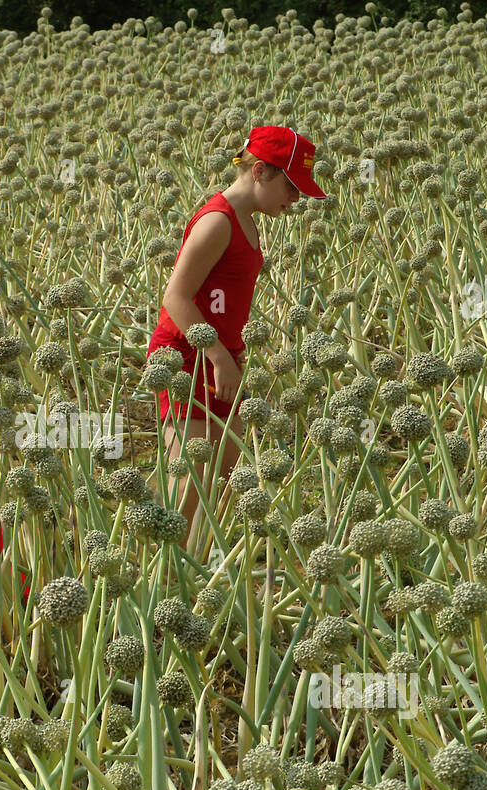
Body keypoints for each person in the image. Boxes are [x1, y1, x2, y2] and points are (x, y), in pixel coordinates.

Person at [148, 126, 323, 546]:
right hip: (185, 359)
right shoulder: (217, 221)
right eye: (291, 186)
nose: (295, 199)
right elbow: (175, 296)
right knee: (190, 484)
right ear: (260, 171)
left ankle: (187, 573)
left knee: (227, 482)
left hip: (220, 359)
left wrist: (229, 356)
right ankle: (160, 579)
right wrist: (217, 356)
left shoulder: (249, 219)